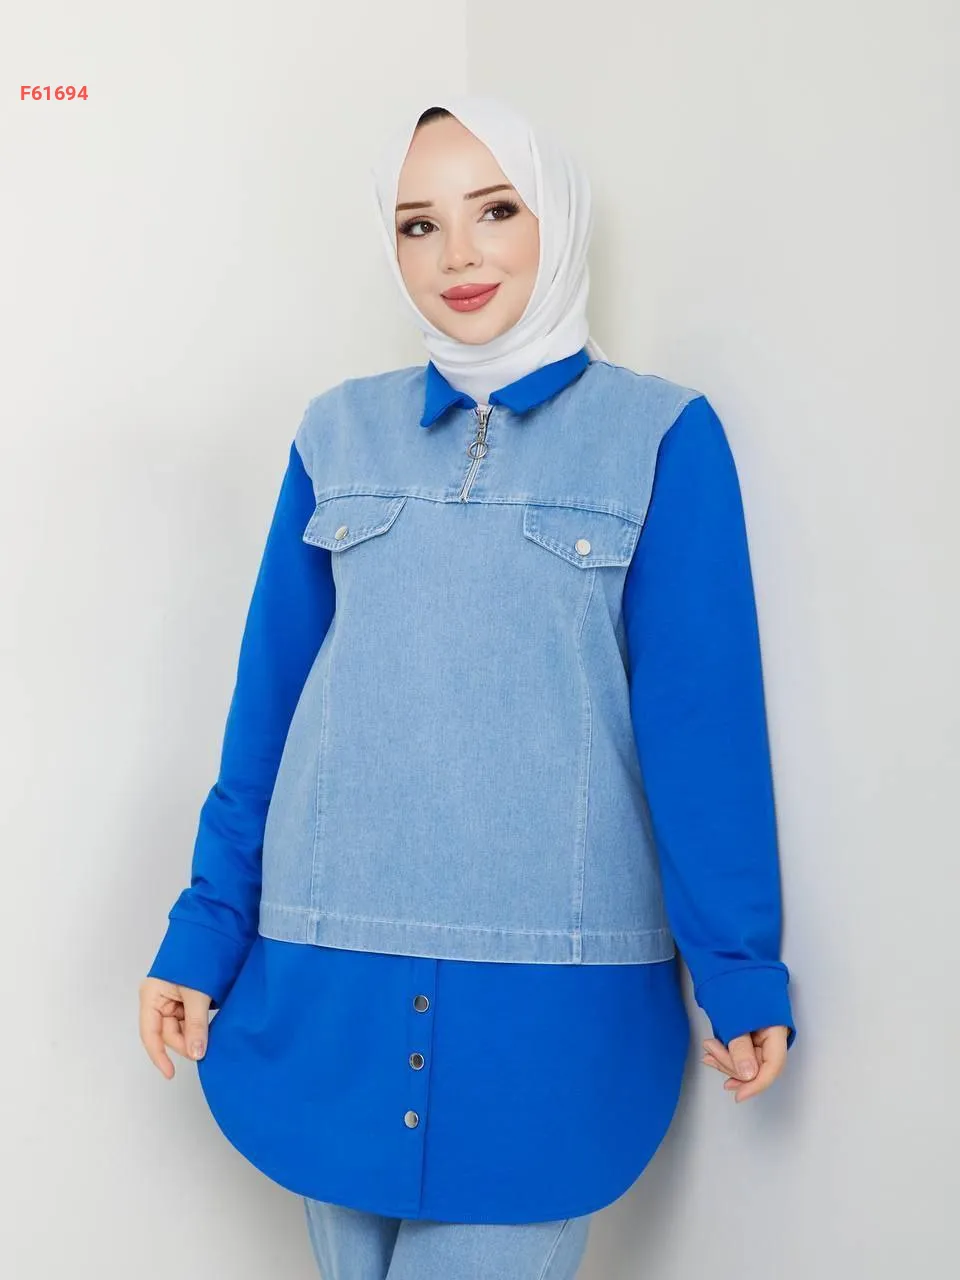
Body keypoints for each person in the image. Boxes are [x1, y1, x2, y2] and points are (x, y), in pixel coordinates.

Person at [138, 94, 797, 1279]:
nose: (457, 254)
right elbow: (268, 713)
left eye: (496, 210)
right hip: (328, 975)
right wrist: (203, 931)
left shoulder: (659, 436)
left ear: (557, 218)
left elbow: (702, 731)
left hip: (547, 1007)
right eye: (417, 224)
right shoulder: (337, 433)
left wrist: (740, 963)